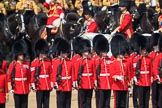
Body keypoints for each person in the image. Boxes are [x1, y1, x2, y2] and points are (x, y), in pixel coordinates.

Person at [7, 39, 30, 108]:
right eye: (20, 54)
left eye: (22, 54)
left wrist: (29, 85)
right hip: (17, 88)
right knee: (17, 106)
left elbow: (29, 76)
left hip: (25, 88)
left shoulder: (27, 64)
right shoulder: (13, 64)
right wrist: (10, 87)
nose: (22, 56)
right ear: (17, 55)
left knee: (25, 106)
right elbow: (8, 77)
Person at [110, 34, 131, 108]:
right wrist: (117, 77)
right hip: (117, 86)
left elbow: (128, 74)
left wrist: (129, 84)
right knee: (117, 103)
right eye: (121, 53)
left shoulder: (126, 62)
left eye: (123, 53)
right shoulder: (113, 63)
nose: (122, 55)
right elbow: (112, 74)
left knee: (124, 103)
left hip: (124, 85)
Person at [30, 39, 52, 108]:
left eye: (45, 53)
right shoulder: (35, 62)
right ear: (39, 53)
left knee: (46, 104)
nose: (45, 54)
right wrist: (33, 84)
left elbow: (51, 73)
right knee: (39, 104)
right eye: (43, 53)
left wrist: (51, 83)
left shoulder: (48, 61)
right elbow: (32, 75)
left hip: (47, 85)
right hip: (39, 85)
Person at [132, 35, 152, 108]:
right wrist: (134, 77)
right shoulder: (136, 59)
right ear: (140, 50)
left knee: (146, 100)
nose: (145, 51)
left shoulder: (149, 59)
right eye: (143, 50)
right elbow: (134, 70)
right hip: (140, 81)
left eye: (145, 49)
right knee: (141, 101)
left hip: (147, 81)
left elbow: (151, 70)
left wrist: (152, 77)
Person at [52, 39, 73, 108]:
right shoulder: (56, 62)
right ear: (61, 52)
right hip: (61, 85)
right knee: (61, 104)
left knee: (68, 104)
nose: (66, 54)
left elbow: (71, 73)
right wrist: (55, 84)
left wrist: (72, 83)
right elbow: (54, 73)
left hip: (68, 85)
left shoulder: (69, 62)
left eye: (67, 53)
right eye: (64, 53)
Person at [92, 35, 112, 108]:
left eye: (106, 51)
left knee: (107, 102)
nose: (105, 53)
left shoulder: (109, 59)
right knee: (100, 102)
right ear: (100, 51)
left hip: (108, 83)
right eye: (103, 51)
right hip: (100, 83)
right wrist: (95, 81)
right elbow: (94, 71)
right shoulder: (96, 60)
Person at [74, 39, 94, 108]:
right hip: (82, 83)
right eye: (85, 51)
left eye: (87, 51)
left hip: (90, 83)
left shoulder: (91, 61)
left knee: (89, 101)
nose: (87, 52)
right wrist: (75, 81)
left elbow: (93, 72)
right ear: (82, 51)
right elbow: (76, 72)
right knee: (82, 101)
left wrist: (95, 81)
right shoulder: (79, 61)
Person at [152, 35, 162, 108]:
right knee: (156, 95)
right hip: (157, 78)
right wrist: (157, 76)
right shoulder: (158, 56)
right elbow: (155, 67)